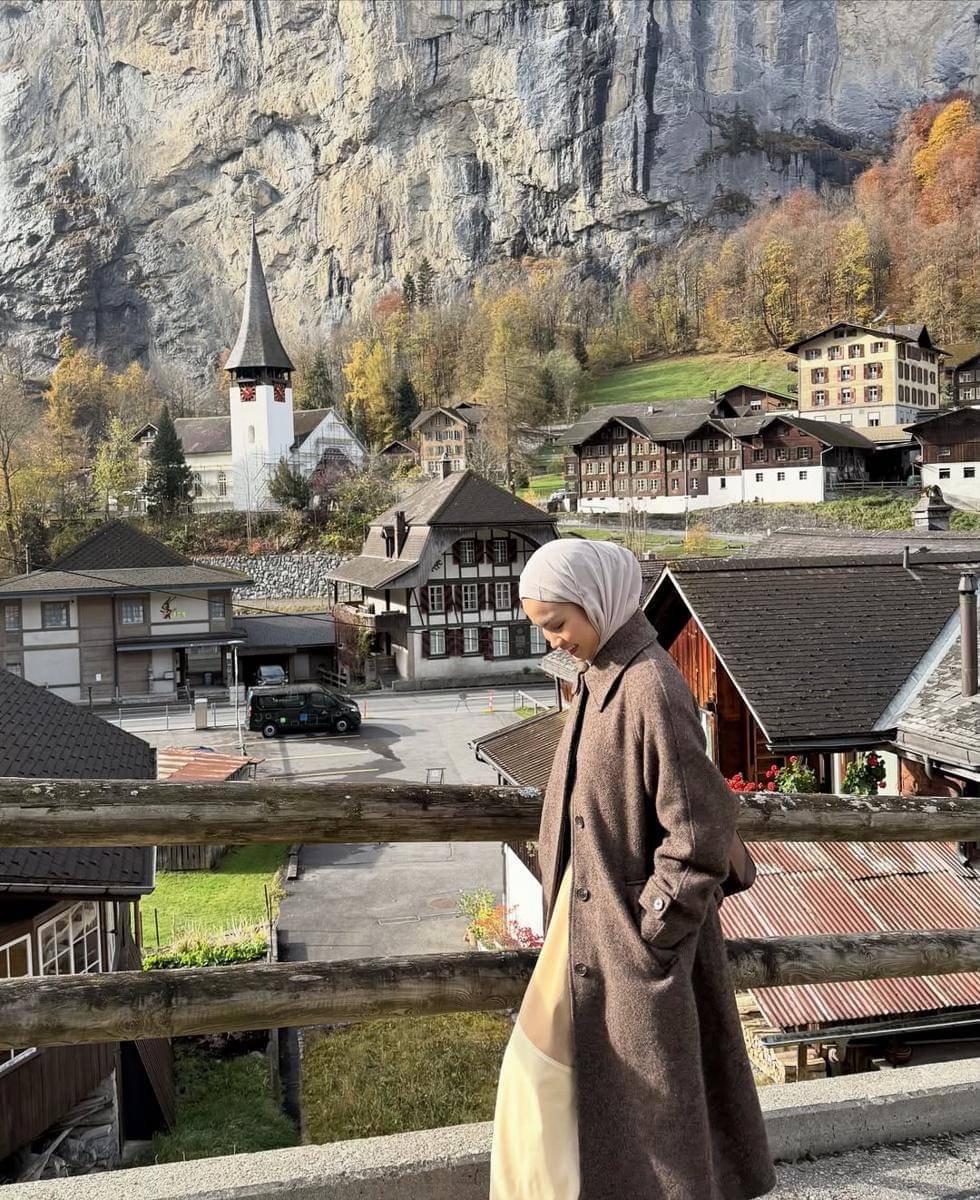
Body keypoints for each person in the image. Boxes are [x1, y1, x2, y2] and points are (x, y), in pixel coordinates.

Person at [489, 538, 775, 1200]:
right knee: (559, 1092)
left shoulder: (650, 685)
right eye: (543, 629)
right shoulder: (600, 677)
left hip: (627, 941)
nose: (554, 641)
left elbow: (700, 830)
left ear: (598, 602)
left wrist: (653, 933)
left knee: (650, 1124)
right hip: (587, 936)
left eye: (559, 623)